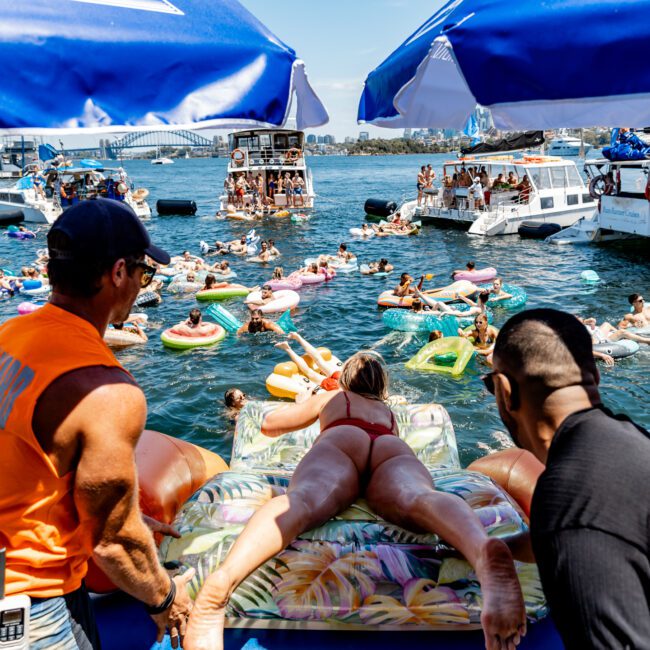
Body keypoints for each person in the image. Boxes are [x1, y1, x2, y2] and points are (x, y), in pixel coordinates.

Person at [184, 351, 526, 650]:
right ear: (382, 386)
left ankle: (224, 580)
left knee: (301, 501)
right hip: (390, 448)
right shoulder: (387, 412)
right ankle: (483, 551)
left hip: (341, 439)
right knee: (421, 497)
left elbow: (271, 425)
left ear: (345, 379)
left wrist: (314, 402)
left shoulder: (332, 397)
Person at [0, 199, 194, 648]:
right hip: (34, 599)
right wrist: (165, 599)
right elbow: (113, 542)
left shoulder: (12, 336)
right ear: (119, 273)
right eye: (145, 273)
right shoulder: (105, 390)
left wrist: (129, 513)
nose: (143, 283)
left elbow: (30, 460)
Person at [485, 309, 650, 649]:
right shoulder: (633, 444)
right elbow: (608, 527)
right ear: (594, 377)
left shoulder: (566, 501)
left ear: (504, 392)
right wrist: (497, 551)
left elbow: (581, 527)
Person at [275, 332, 342, 391]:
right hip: (336, 387)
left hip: (342, 378)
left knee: (319, 360)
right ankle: (287, 348)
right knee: (308, 371)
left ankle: (297, 337)